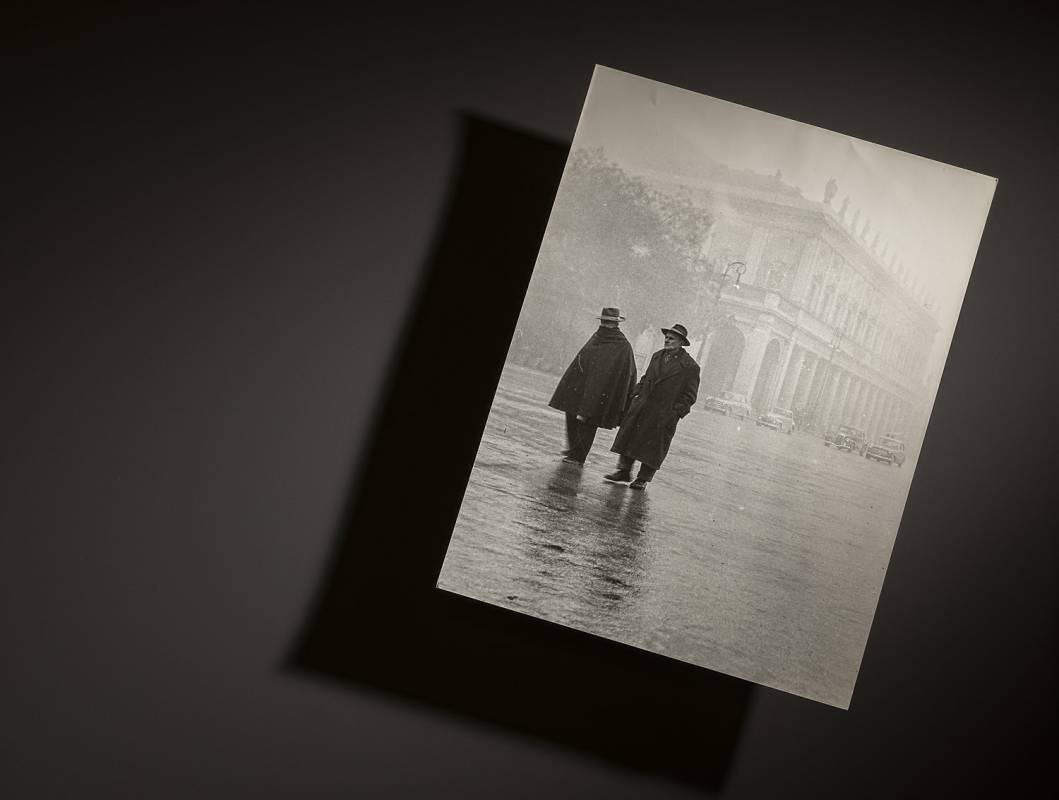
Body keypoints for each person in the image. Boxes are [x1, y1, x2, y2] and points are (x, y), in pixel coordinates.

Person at [605, 323, 700, 490]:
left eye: (671, 338)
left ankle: (643, 479)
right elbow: (646, 377)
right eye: (667, 337)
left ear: (680, 342)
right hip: (643, 406)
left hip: (664, 413)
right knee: (630, 437)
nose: (667, 340)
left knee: (654, 447)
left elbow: (690, 396)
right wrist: (637, 393)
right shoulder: (657, 356)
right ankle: (624, 471)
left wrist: (675, 412)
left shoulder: (690, 366)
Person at [548, 307, 638, 465]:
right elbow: (583, 360)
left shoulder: (622, 345)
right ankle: (573, 448)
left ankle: (578, 456)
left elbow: (626, 372)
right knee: (571, 413)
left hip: (603, 392)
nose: (604, 324)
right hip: (582, 388)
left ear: (616, 324)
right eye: (603, 321)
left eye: (608, 322)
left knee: (589, 422)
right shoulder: (597, 337)